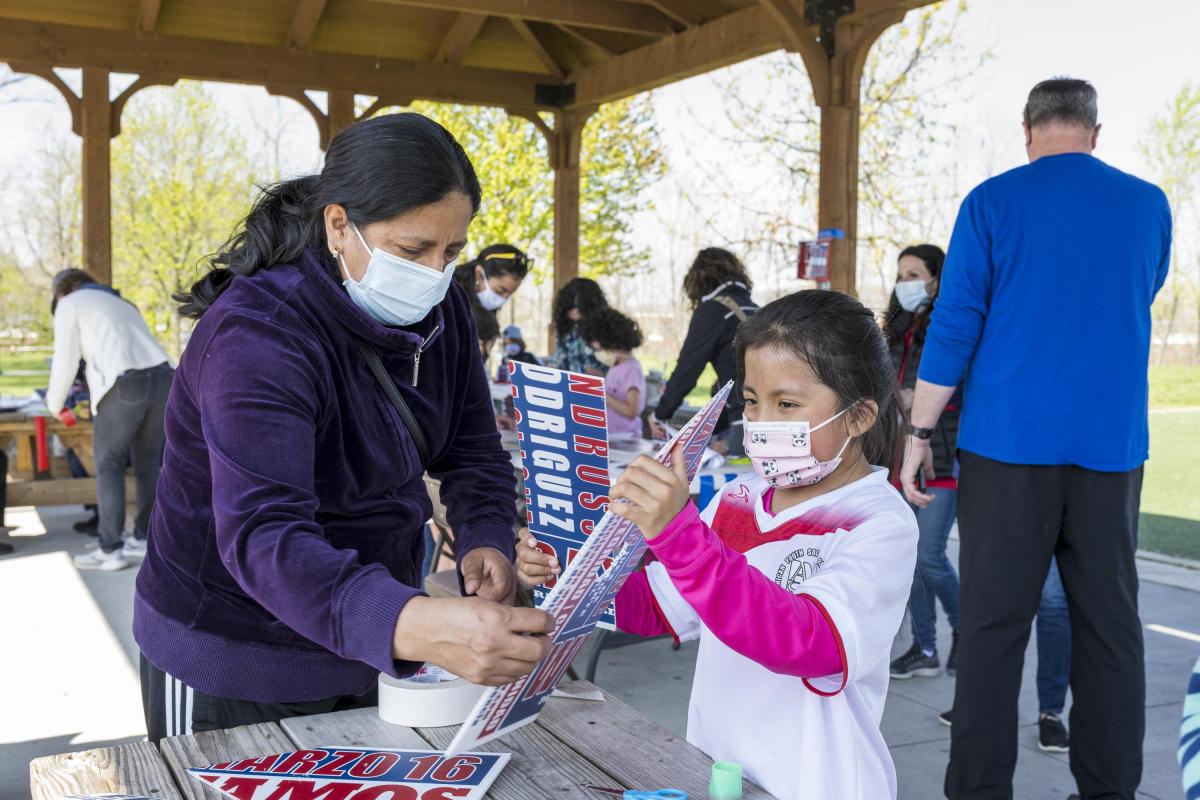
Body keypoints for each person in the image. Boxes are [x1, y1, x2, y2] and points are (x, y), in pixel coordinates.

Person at [133, 113, 553, 740]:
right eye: (412, 251)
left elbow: (471, 450)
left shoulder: (447, 311)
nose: (435, 273)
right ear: (338, 225)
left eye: (452, 252)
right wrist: (415, 623)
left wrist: (485, 537)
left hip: (367, 637)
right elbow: (263, 533)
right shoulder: (259, 333)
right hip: (231, 654)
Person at [521, 290, 918, 800]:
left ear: (860, 417)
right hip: (718, 775)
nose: (762, 421)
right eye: (752, 401)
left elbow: (808, 642)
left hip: (817, 784)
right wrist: (565, 568)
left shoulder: (880, 521)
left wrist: (678, 535)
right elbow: (659, 609)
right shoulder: (738, 497)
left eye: (788, 404)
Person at [900, 78, 1171, 799]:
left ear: (1028, 132)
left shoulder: (991, 202)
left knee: (994, 628)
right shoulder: (1149, 205)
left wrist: (920, 431)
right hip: (1111, 449)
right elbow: (1137, 294)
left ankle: (980, 790)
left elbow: (954, 325)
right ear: (1095, 130)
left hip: (1007, 447)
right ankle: (1111, 789)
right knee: (1110, 627)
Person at [47, 269, 173, 572]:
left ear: (61, 291)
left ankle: (109, 550)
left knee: (108, 465)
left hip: (124, 383)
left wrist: (54, 403)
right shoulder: (121, 302)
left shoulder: (70, 303)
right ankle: (142, 539)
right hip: (165, 378)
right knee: (147, 466)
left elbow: (65, 358)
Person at [884, 244, 962, 681]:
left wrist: (921, 406)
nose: (906, 283)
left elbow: (957, 387)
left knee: (931, 556)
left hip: (942, 458)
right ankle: (925, 647)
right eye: (902, 275)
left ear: (937, 279)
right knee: (909, 560)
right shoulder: (893, 330)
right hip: (898, 456)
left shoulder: (951, 327)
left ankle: (965, 630)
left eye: (915, 274)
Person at [652, 247, 757, 449]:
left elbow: (688, 369)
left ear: (698, 280)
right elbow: (735, 372)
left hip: (741, 426)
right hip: (766, 421)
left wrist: (659, 414)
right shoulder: (755, 308)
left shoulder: (714, 309)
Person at [577, 307, 646, 440]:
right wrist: (599, 378)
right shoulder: (615, 366)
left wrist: (602, 393)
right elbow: (617, 391)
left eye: (601, 348)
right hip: (612, 436)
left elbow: (632, 410)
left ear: (612, 342)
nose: (598, 352)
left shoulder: (631, 369)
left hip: (626, 438)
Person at [549, 277, 609, 374]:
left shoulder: (607, 327)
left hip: (603, 385)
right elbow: (559, 360)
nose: (574, 311)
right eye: (570, 306)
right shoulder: (566, 330)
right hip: (571, 384)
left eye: (578, 306)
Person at [452, 244, 529, 314]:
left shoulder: (485, 312)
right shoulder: (448, 300)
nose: (503, 299)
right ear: (479, 274)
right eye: (500, 290)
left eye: (509, 294)